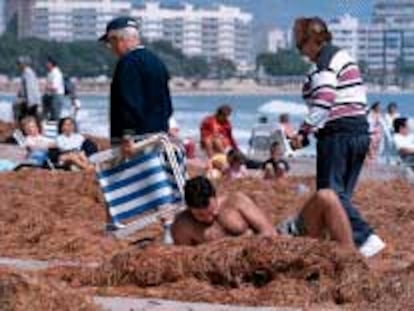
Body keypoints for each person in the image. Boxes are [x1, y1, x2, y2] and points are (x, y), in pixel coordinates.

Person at [291, 17, 385, 257]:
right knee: (342, 195)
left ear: (312, 41)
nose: (300, 50)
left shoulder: (325, 62)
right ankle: (341, 244)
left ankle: (364, 238)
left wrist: (303, 132)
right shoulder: (343, 56)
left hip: (338, 134)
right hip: (357, 131)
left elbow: (324, 99)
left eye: (300, 44)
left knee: (330, 194)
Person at [171, 176, 355, 251]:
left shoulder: (235, 201)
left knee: (326, 196)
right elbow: (187, 262)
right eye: (201, 216)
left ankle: (351, 259)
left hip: (278, 244)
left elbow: (269, 232)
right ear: (189, 208)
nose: (209, 219)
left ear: (215, 197)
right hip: (238, 270)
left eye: (212, 212)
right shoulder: (183, 226)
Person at [99, 16, 173, 150]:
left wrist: (128, 133)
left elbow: (128, 101)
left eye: (110, 42)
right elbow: (166, 102)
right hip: (158, 133)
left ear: (119, 40)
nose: (111, 48)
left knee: (130, 170)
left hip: (137, 138)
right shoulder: (156, 61)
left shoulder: (128, 62)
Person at [14, 56, 41, 122]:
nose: (18, 66)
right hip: (28, 101)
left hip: (30, 101)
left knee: (29, 118)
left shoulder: (28, 73)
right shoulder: (25, 72)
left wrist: (30, 103)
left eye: (19, 64)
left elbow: (30, 88)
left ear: (23, 64)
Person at [42, 57, 65, 121]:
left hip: (57, 96)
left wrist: (45, 87)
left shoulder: (56, 73)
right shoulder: (50, 73)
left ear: (51, 64)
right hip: (50, 96)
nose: (45, 64)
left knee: (55, 115)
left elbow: (55, 87)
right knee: (46, 113)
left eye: (47, 63)